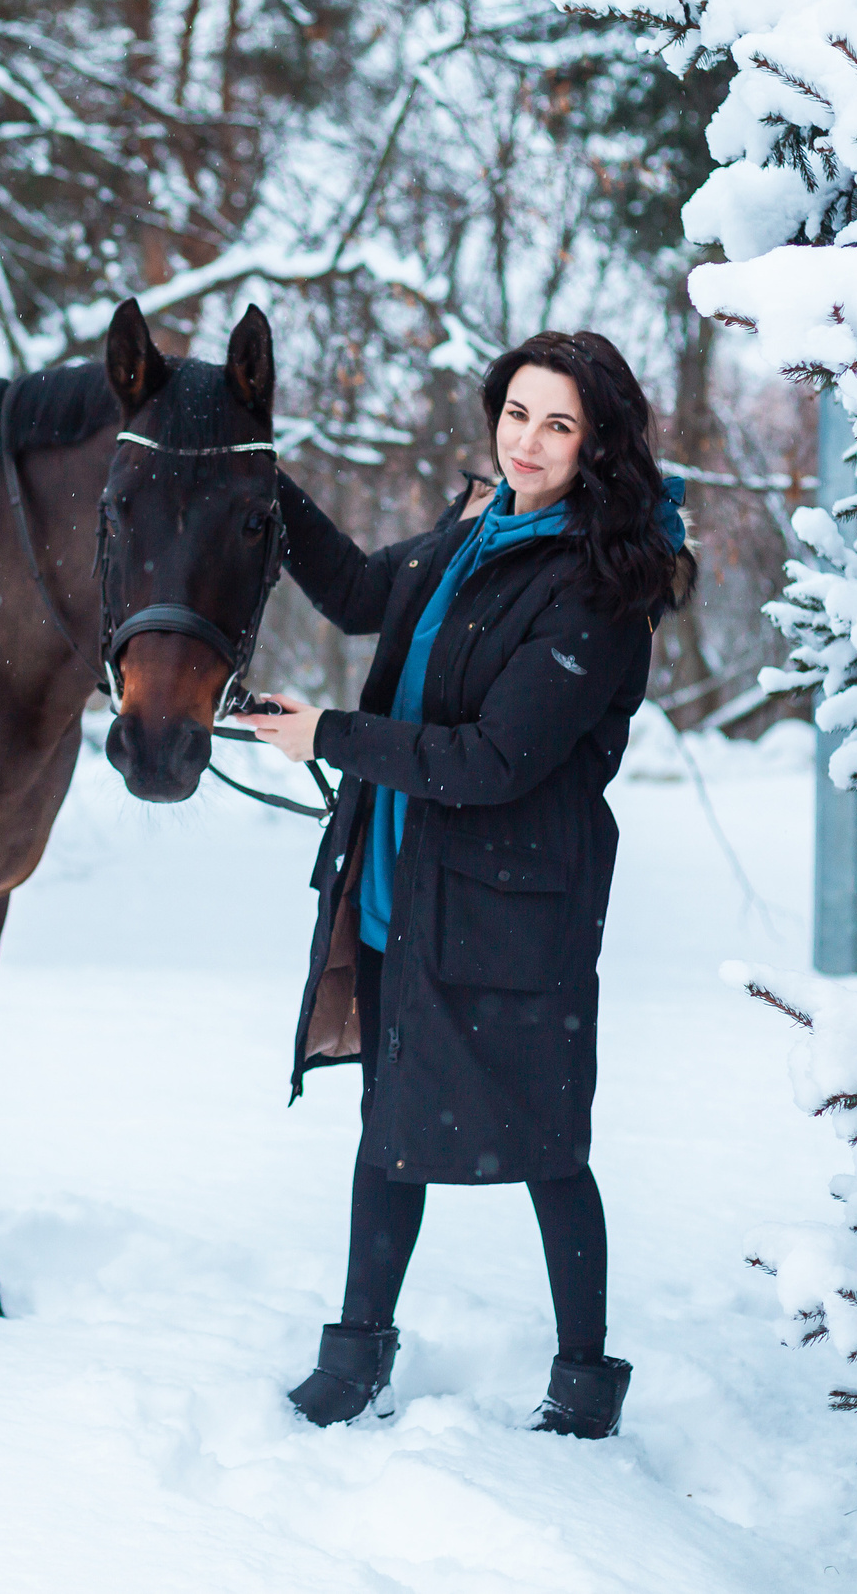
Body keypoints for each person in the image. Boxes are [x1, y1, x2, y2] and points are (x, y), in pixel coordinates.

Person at [237, 330, 692, 1438]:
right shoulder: (469, 536)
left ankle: (583, 1384)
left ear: (598, 446)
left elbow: (496, 760)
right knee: (387, 1124)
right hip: (403, 881)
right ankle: (353, 1358)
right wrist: (255, 471)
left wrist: (329, 735)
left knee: (546, 1146)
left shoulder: (595, 584)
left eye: (558, 424)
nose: (527, 441)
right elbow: (350, 591)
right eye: (516, 412)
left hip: (508, 912)